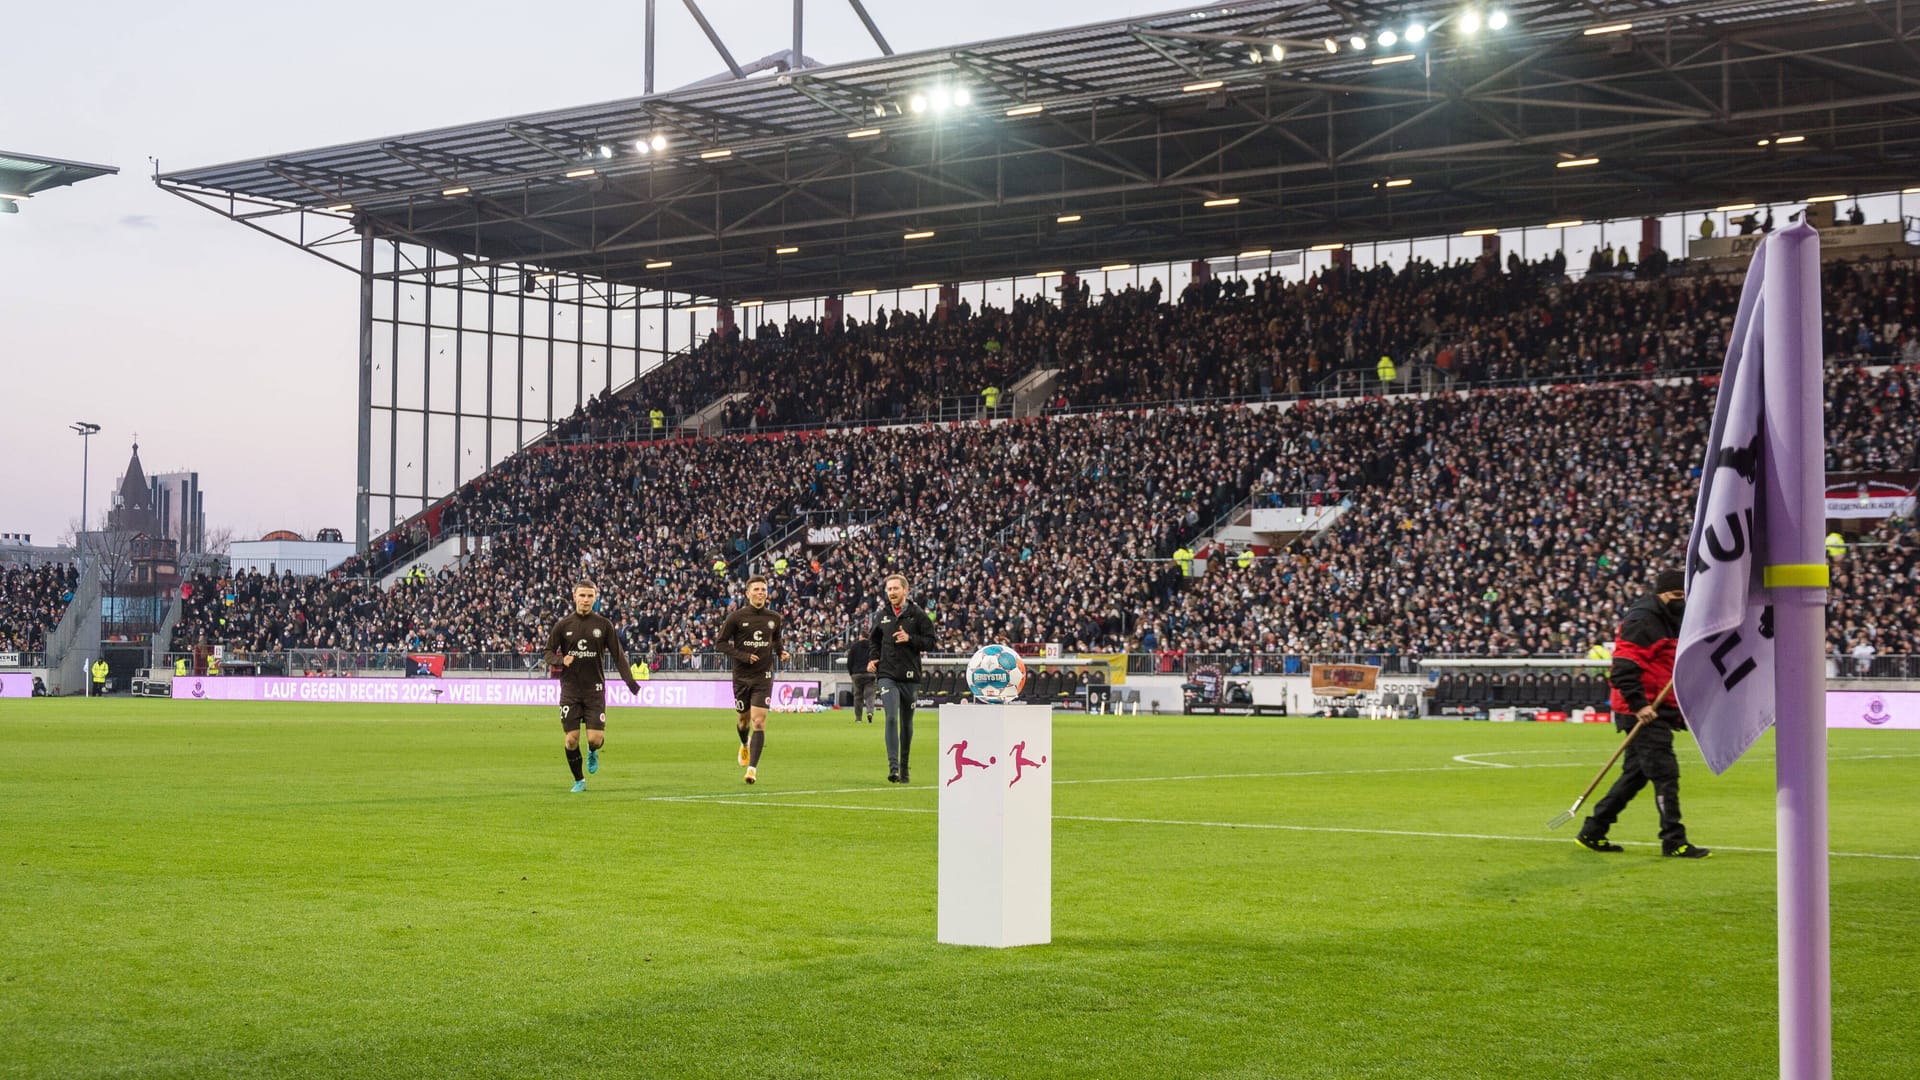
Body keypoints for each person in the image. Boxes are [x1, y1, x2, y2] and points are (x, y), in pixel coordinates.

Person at [1577, 570, 1710, 857]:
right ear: (1662, 594)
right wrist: (1640, 705)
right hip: (1642, 711)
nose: (1682, 601)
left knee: (1635, 775)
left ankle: (1594, 829)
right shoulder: (1643, 621)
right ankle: (1673, 840)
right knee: (1665, 773)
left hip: (1656, 707)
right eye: (1676, 596)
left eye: (1684, 596)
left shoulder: (1673, 618)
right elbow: (1623, 667)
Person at [544, 580, 642, 793]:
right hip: (570, 689)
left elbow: (618, 655)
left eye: (590, 596)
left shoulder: (603, 625)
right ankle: (579, 780)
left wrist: (630, 682)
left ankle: (592, 750)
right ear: (574, 596)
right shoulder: (563, 625)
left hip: (594, 689)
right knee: (571, 739)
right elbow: (547, 652)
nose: (586, 600)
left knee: (595, 739)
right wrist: (561, 661)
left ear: (595, 598)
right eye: (582, 595)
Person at [715, 575, 787, 784]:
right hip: (741, 676)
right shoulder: (736, 617)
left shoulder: (774, 618)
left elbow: (776, 638)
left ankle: (752, 770)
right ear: (747, 593)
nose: (760, 593)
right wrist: (744, 656)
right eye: (756, 589)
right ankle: (744, 744)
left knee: (759, 721)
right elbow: (720, 644)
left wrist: (781, 652)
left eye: (763, 589)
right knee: (743, 719)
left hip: (763, 676)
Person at [868, 572, 937, 783]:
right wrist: (873, 659)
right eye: (888, 589)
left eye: (895, 588)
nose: (891, 592)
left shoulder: (918, 615)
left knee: (907, 724)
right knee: (891, 716)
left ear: (905, 590)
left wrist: (910, 639)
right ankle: (894, 768)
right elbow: (874, 641)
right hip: (887, 674)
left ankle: (905, 769)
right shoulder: (882, 615)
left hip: (910, 676)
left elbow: (930, 642)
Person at [847, 633, 876, 724]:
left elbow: (849, 661)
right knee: (870, 695)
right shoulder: (872, 646)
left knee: (858, 696)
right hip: (870, 674)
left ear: (860, 636)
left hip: (857, 674)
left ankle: (858, 718)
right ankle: (870, 712)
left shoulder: (854, 646)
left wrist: (851, 673)